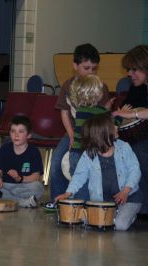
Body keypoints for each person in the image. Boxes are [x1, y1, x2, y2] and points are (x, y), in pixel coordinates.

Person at [45, 43, 113, 210]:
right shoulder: (68, 86)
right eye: (86, 67)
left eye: (94, 69)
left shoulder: (100, 86)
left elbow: (104, 115)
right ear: (75, 66)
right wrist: (71, 135)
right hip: (73, 132)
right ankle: (57, 202)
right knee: (56, 164)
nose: (91, 72)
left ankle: (90, 202)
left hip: (95, 134)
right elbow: (64, 113)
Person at [55, 113, 142, 230]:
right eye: (112, 126)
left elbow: (135, 170)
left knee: (120, 225)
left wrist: (126, 190)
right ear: (102, 134)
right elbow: (79, 176)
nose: (116, 127)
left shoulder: (124, 147)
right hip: (103, 201)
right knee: (86, 221)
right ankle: (114, 215)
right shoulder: (88, 154)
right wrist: (67, 193)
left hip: (129, 197)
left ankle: (128, 215)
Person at [0, 116, 43, 207]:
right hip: (5, 185)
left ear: (29, 135)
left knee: (38, 187)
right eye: (13, 131)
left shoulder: (34, 152)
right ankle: (22, 202)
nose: (16, 135)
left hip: (22, 187)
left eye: (21, 131)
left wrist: (20, 178)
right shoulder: (4, 149)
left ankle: (3, 199)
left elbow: (36, 177)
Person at [113, 44, 148, 214]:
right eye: (128, 69)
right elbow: (124, 110)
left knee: (139, 152)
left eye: (134, 69)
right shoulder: (138, 86)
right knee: (124, 150)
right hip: (143, 136)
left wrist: (133, 114)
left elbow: (132, 112)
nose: (129, 74)